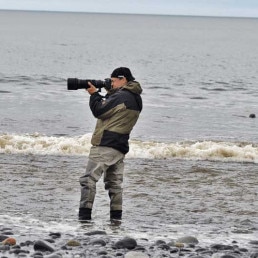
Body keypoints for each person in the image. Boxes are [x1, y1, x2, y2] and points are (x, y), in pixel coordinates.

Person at [78, 67, 143, 222]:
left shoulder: (121, 96)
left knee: (88, 180)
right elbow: (113, 111)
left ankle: (84, 218)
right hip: (120, 147)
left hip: (105, 144)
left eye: (113, 81)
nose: (111, 83)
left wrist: (94, 94)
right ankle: (116, 221)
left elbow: (100, 111)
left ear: (123, 79)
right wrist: (108, 93)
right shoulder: (135, 97)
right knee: (114, 186)